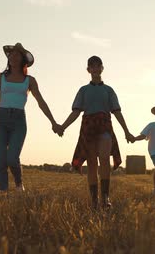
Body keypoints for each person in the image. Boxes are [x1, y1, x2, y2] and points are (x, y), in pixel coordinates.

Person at [0, 43, 62, 191]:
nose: (13, 57)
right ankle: (3, 191)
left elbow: (41, 102)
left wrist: (53, 122)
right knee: (1, 160)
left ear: (23, 59)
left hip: (18, 121)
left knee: (12, 159)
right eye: (11, 55)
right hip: (0, 120)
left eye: (17, 55)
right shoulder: (0, 78)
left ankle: (19, 183)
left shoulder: (30, 81)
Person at [58, 55, 135, 209]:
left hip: (105, 126)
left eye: (98, 65)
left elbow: (117, 112)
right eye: (92, 66)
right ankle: (94, 200)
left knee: (105, 159)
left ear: (102, 68)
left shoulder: (109, 90)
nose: (95, 68)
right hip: (88, 127)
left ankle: (105, 198)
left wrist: (127, 131)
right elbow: (76, 112)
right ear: (88, 70)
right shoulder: (83, 90)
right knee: (92, 163)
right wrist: (63, 126)